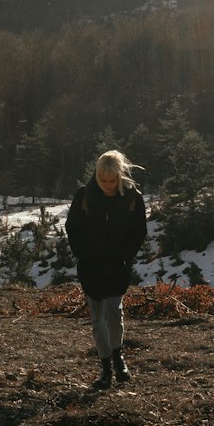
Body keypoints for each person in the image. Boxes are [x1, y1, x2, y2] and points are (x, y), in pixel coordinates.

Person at [66, 149, 148, 390]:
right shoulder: (84, 196)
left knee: (113, 312)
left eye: (113, 180)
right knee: (97, 319)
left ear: (120, 176)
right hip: (91, 267)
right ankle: (105, 368)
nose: (108, 185)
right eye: (104, 180)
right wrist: (83, 254)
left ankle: (118, 356)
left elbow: (139, 232)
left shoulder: (133, 198)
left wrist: (125, 256)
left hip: (117, 266)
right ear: (97, 176)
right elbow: (73, 228)